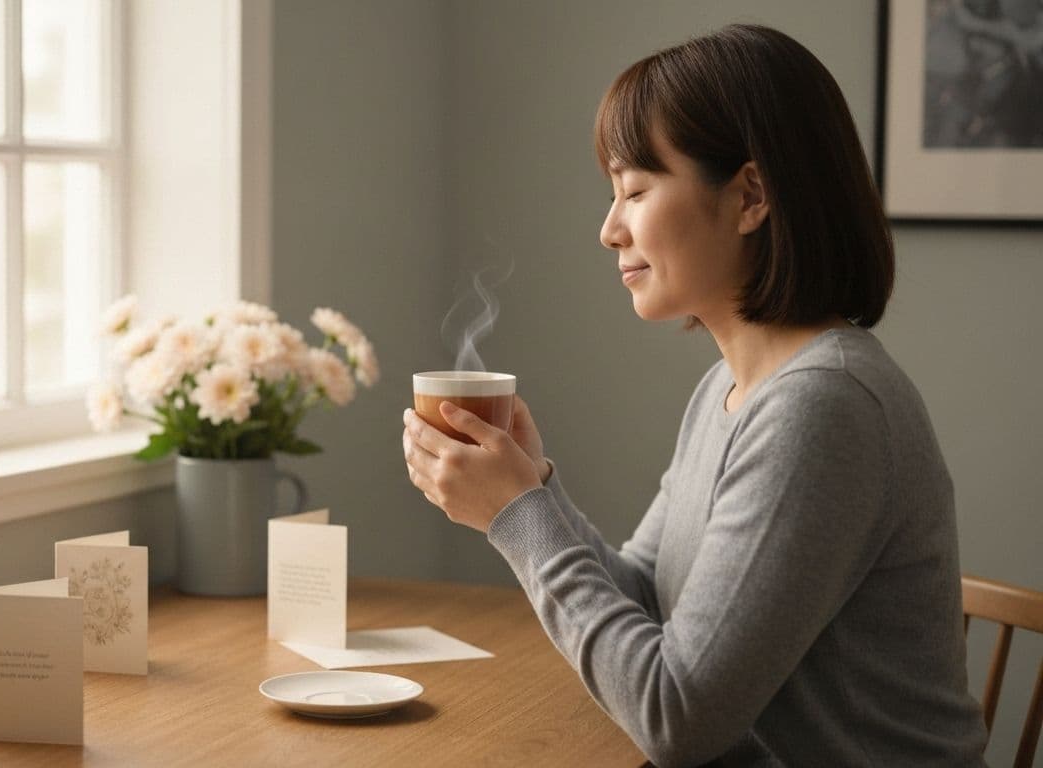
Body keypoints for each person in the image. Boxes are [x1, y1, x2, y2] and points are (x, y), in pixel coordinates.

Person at [401, 24, 989, 767]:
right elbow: (650, 598)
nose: (609, 229)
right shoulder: (731, 388)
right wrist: (532, 489)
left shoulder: (823, 405)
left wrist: (519, 516)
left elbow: (676, 718)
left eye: (635, 191)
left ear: (750, 196)